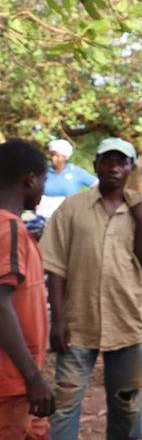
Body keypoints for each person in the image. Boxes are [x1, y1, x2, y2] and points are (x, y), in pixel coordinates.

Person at [42, 138, 142, 440]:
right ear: (96, 166)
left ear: (130, 168)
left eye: (121, 162)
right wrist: (57, 320)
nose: (113, 168)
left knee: (126, 405)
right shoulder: (72, 208)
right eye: (106, 161)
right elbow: (55, 267)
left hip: (126, 322)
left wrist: (139, 216)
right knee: (65, 403)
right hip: (76, 323)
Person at [0, 141, 53, 440]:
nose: (43, 189)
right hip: (12, 383)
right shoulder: (8, 229)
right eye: (44, 180)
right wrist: (33, 377)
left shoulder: (15, 228)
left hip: (21, 381)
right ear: (30, 180)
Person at [37, 139, 97, 218]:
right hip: (44, 218)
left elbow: (97, 184)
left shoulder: (76, 172)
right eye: (52, 155)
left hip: (69, 218)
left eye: (57, 156)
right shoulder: (43, 171)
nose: (53, 158)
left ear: (65, 157)